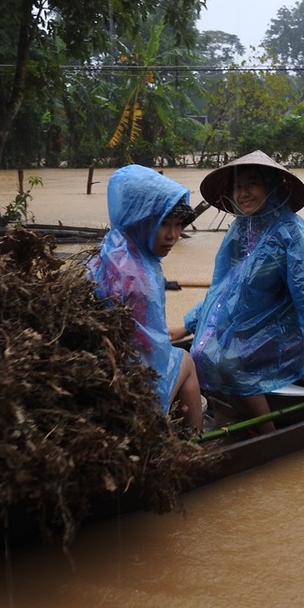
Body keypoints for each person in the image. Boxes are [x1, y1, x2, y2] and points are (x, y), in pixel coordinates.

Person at [183, 151, 304, 433]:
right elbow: (222, 290)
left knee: (226, 361)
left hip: (279, 334)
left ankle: (266, 432)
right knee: (198, 351)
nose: (243, 193)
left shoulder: (291, 232)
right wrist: (190, 323)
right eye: (237, 186)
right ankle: (229, 417)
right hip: (245, 327)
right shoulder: (239, 230)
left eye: (252, 184)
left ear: (270, 186)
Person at [87, 164, 203, 433]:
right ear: (143, 219)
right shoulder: (139, 277)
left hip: (105, 364)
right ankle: (195, 439)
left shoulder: (112, 247)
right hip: (134, 379)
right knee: (187, 361)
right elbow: (147, 346)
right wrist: (164, 337)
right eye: (165, 224)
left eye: (178, 226)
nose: (173, 236)